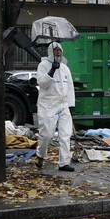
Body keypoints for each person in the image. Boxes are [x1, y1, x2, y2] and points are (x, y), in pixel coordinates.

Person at [35, 41, 76, 172]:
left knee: (65, 135)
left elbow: (70, 88)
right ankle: (40, 155)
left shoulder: (65, 68)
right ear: (50, 52)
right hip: (48, 105)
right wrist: (52, 70)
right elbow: (42, 83)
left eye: (59, 50)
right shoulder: (43, 66)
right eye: (55, 50)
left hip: (63, 105)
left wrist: (71, 104)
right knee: (47, 134)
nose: (58, 52)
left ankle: (64, 162)